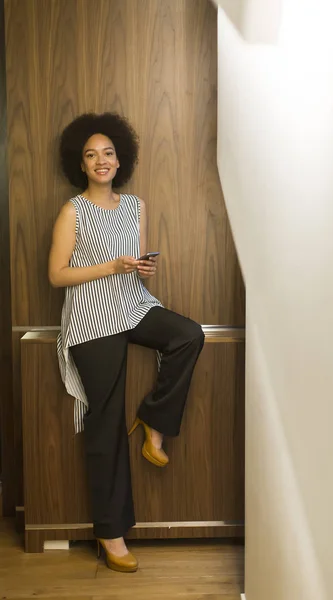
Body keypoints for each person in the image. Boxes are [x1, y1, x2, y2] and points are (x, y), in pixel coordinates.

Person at [48, 112, 205, 573]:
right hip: (91, 319)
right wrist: (112, 268)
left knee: (188, 335)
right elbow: (57, 275)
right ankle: (110, 534)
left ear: (120, 160)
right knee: (105, 424)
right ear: (81, 164)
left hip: (131, 304)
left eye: (108, 153)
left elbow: (130, 263)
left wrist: (138, 269)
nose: (101, 160)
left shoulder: (134, 206)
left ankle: (154, 420)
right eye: (91, 155)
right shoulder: (71, 211)